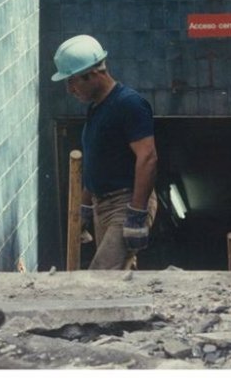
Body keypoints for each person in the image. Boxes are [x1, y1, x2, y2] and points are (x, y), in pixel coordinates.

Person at [52, 35, 157, 270]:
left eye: (72, 81)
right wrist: (85, 208)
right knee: (117, 276)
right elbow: (97, 163)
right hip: (103, 205)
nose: (70, 90)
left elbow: (148, 158)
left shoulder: (128, 104)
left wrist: (137, 214)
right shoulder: (97, 109)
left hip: (125, 203)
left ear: (93, 74)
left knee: (101, 275)